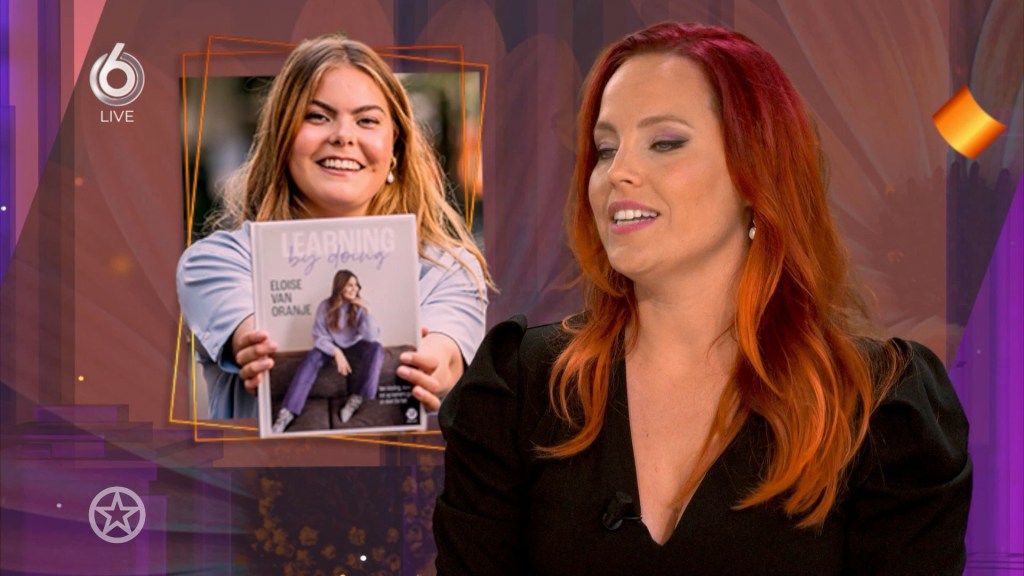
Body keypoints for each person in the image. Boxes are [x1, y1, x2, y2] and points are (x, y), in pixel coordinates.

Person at [435, 22, 971, 575]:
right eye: (605, 148)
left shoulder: (879, 406)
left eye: (665, 143)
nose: (618, 173)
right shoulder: (519, 386)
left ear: (756, 172)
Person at [177, 33, 489, 422]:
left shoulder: (449, 270)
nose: (343, 136)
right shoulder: (215, 262)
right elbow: (251, 336)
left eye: (367, 120)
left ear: (395, 148)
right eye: (317, 116)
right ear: (282, 139)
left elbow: (445, 355)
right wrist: (256, 349)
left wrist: (432, 367)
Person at [271, 270, 384, 433]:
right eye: (350, 285)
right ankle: (286, 413)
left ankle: (356, 398)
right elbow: (318, 336)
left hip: (354, 347)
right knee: (312, 356)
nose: (355, 288)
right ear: (340, 287)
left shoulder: (359, 307)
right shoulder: (325, 306)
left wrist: (367, 312)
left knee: (376, 347)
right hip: (330, 347)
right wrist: (336, 351)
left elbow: (371, 337)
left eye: (356, 285)